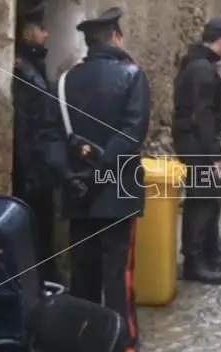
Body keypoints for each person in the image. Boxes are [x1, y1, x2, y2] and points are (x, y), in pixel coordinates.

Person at [47, 7, 150, 351]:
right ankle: (123, 341)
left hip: (78, 193)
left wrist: (71, 175)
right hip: (117, 192)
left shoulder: (63, 82)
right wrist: (103, 168)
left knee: (84, 275)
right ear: (116, 37)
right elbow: (132, 133)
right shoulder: (133, 76)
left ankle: (87, 341)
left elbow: (50, 138)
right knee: (118, 274)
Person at [172, 18, 221, 286]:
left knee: (210, 198)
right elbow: (203, 114)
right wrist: (215, 155)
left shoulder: (198, 64)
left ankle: (211, 252)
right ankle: (194, 261)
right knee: (199, 200)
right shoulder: (202, 69)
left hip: (193, 140)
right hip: (196, 144)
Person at [11, 1, 61, 284]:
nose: (47, 35)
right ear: (29, 33)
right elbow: (29, 126)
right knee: (37, 232)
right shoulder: (26, 72)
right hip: (33, 171)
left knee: (44, 232)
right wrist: (34, 174)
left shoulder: (35, 67)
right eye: (42, 29)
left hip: (40, 169)